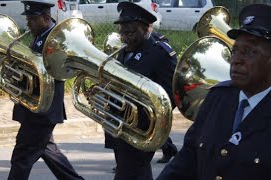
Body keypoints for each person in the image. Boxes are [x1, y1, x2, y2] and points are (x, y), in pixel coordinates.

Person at [157, 4, 271, 180]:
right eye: (235, 51)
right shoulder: (218, 97)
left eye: (249, 52)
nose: (237, 60)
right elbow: (187, 159)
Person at [8, 1, 84, 179]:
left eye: (33, 19)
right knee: (50, 153)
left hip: (43, 109)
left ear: (46, 18)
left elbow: (53, 73)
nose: (28, 24)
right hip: (37, 108)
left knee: (21, 157)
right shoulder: (41, 35)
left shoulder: (55, 38)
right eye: (28, 19)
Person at [104, 2, 177, 179]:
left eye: (130, 33)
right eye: (122, 32)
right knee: (137, 174)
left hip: (141, 129)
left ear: (146, 29)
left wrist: (143, 116)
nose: (125, 38)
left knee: (128, 173)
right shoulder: (122, 51)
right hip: (118, 125)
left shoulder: (159, 53)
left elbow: (171, 93)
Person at [149, 26, 178, 164]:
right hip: (159, 91)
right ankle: (169, 149)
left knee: (153, 124)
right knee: (153, 124)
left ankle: (169, 149)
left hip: (166, 92)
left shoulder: (157, 44)